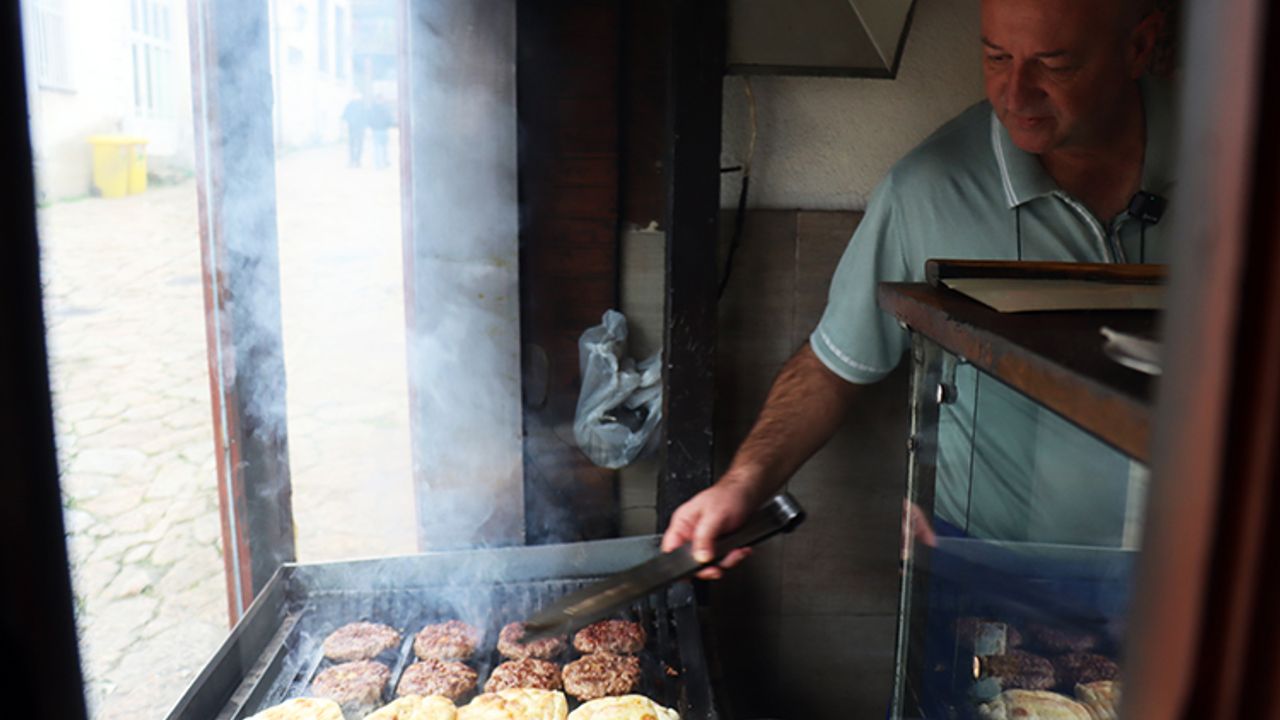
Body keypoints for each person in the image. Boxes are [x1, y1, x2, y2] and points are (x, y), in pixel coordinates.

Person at [662, 0, 1171, 575]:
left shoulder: (1233, 161)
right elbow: (832, 366)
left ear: (1138, 47)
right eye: (996, 58)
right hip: (988, 572)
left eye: (1055, 65)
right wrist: (742, 482)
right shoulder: (929, 187)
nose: (1015, 94)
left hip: (1193, 567)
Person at [342, 95, 369, 168]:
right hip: (355, 128)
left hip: (356, 128)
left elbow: (344, 115)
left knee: (355, 145)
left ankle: (355, 160)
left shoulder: (359, 105)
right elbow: (345, 115)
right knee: (355, 144)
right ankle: (354, 160)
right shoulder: (355, 105)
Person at [368, 97, 393, 169]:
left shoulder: (381, 108)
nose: (380, 101)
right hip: (377, 130)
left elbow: (389, 118)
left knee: (384, 147)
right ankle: (378, 163)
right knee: (378, 148)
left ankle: (384, 161)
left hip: (383, 130)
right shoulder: (376, 109)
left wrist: (388, 124)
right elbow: (370, 119)